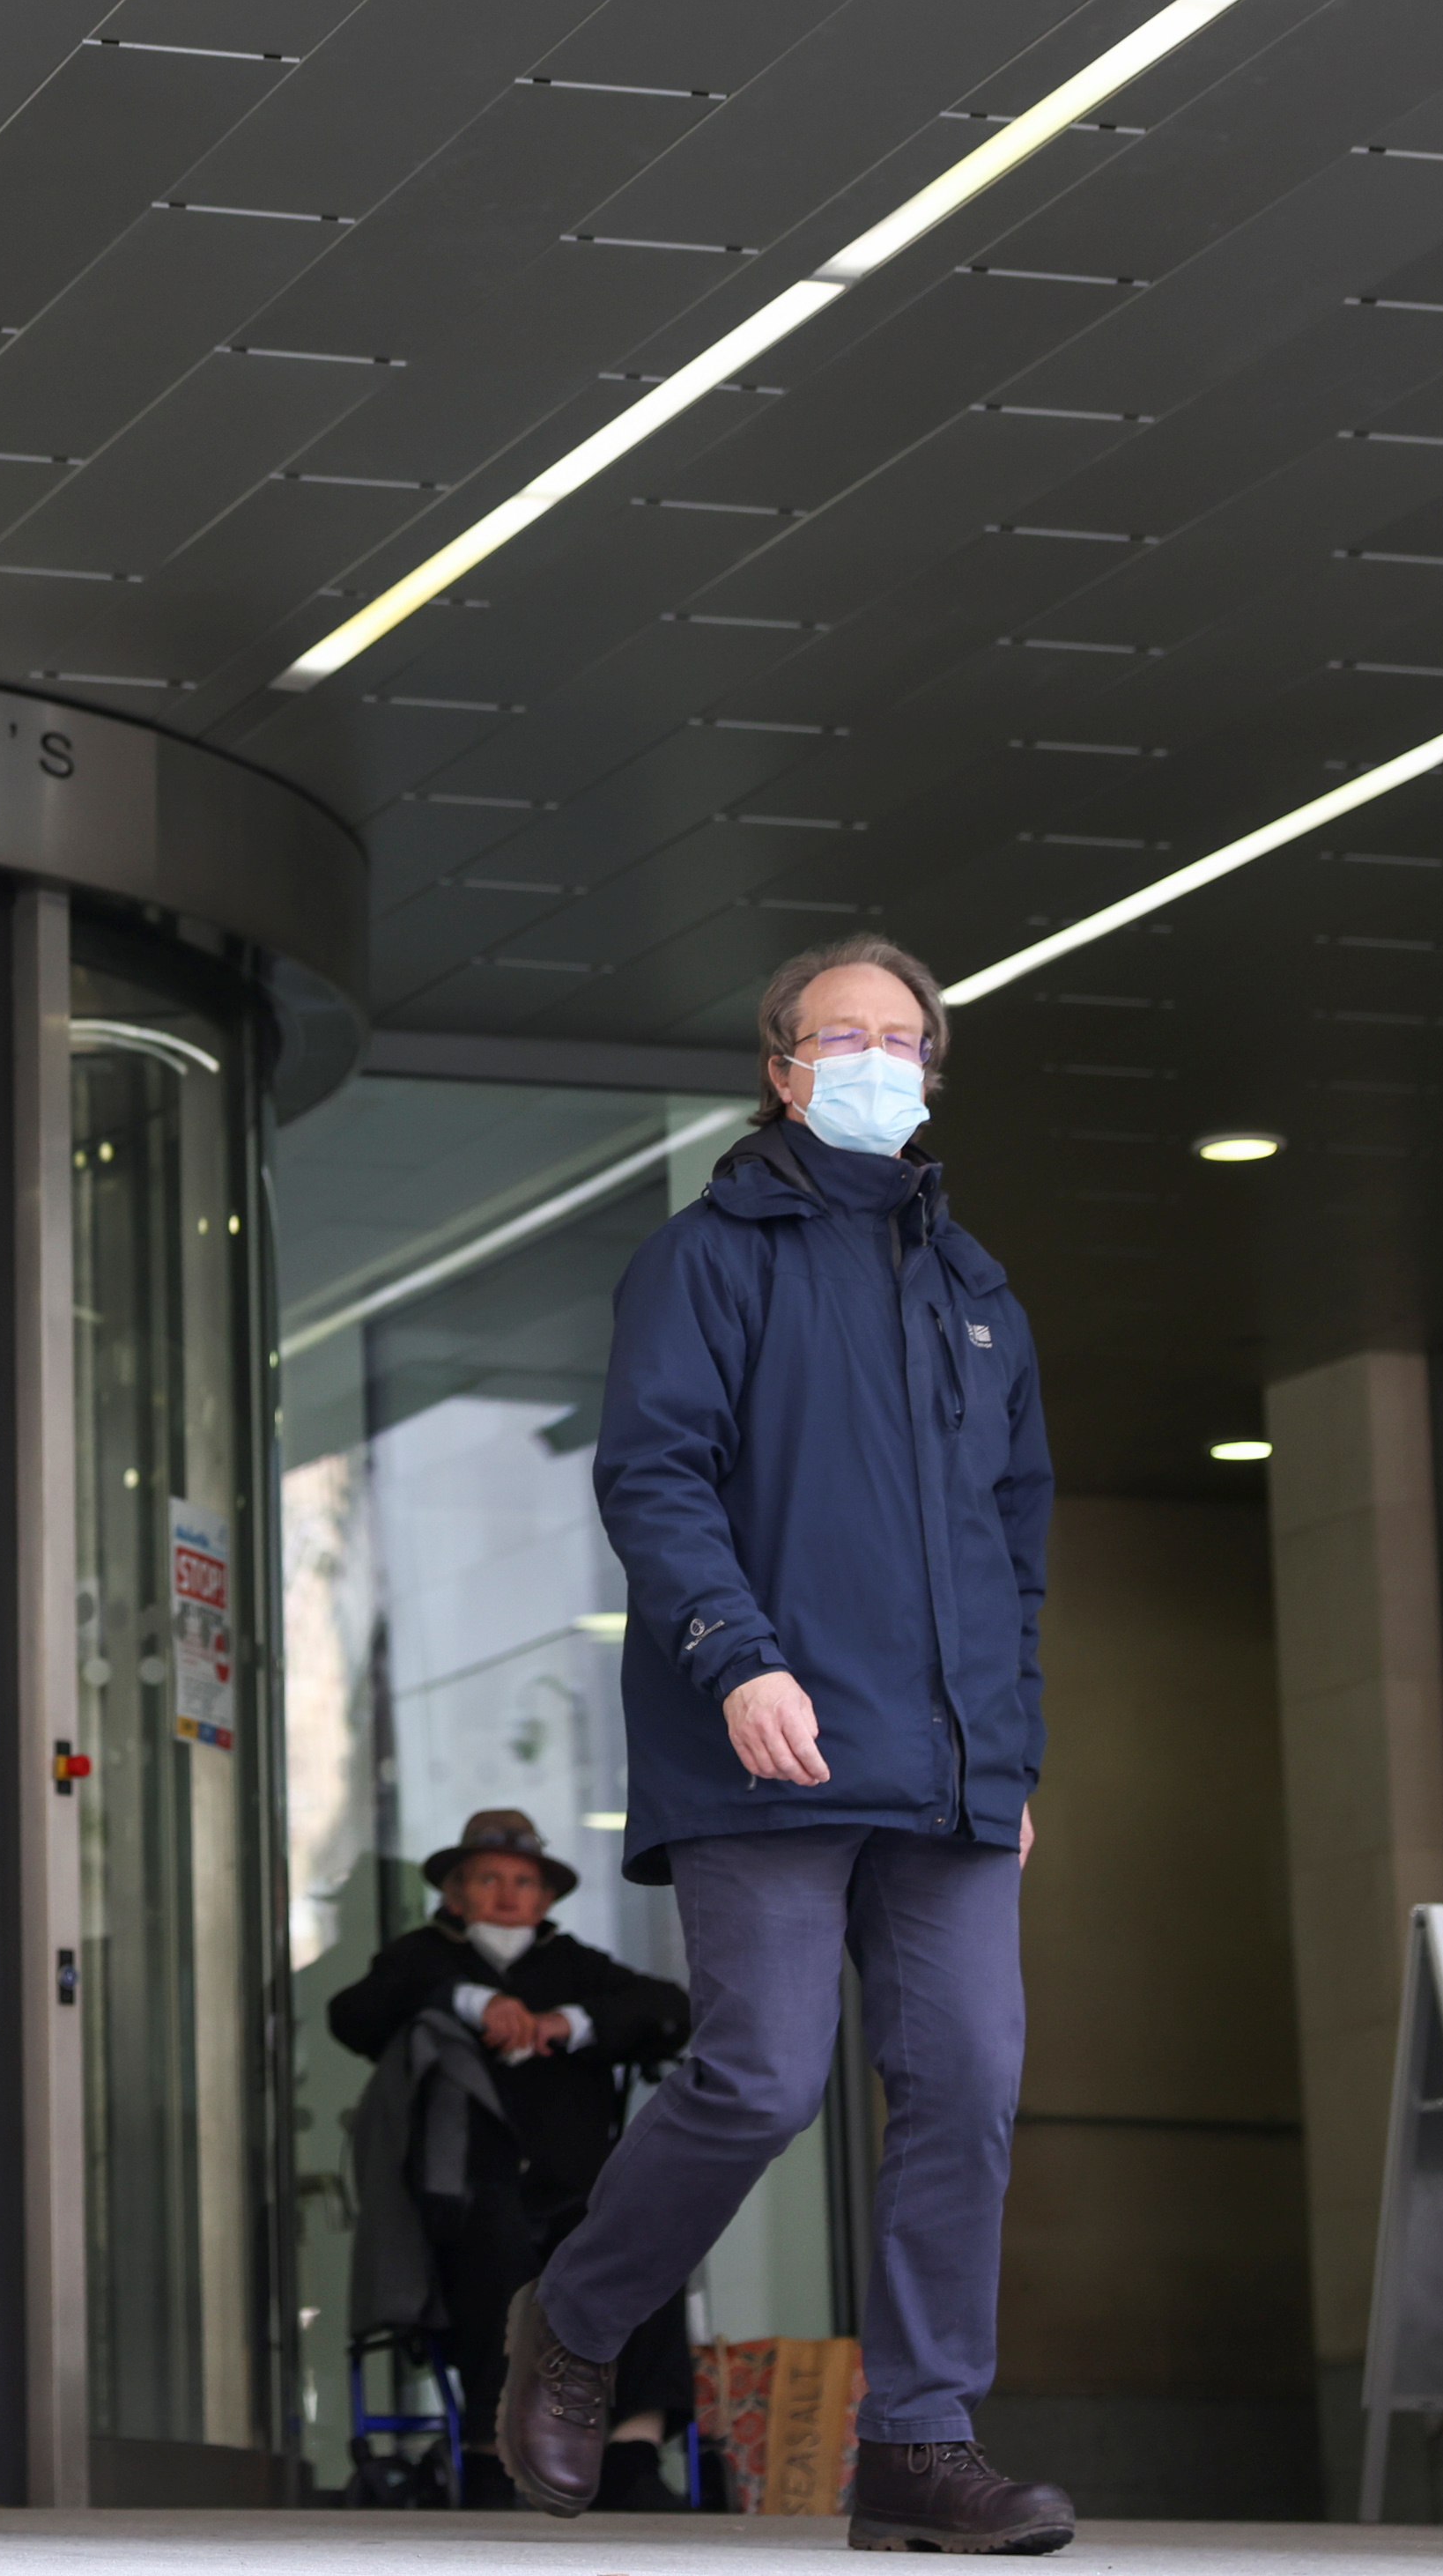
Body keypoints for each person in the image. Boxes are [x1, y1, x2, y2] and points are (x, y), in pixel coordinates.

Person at [497, 936, 1069, 2551]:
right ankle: (582, 2313)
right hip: (768, 1739)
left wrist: (1008, 1755)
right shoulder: (710, 1256)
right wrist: (735, 1657)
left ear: (933, 1068)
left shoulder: (976, 1291)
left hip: (951, 1769)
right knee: (757, 2077)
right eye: (846, 1035)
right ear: (783, 1066)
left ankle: (920, 2439)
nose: (879, 1059)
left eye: (907, 1037)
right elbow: (656, 1477)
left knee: (965, 2078)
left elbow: (1015, 1542)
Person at [328, 1812, 693, 2510]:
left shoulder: (572, 1964)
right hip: (464, 2192)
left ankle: (632, 2450)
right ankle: (492, 2450)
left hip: (576, 2186)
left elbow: (667, 2006)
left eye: (522, 1881)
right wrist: (469, 2001)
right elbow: (354, 2015)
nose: (505, 1893)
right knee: (490, 2250)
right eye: (487, 1878)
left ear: (545, 1898)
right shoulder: (423, 1956)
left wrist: (571, 2022)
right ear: (455, 1895)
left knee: (644, 2241)